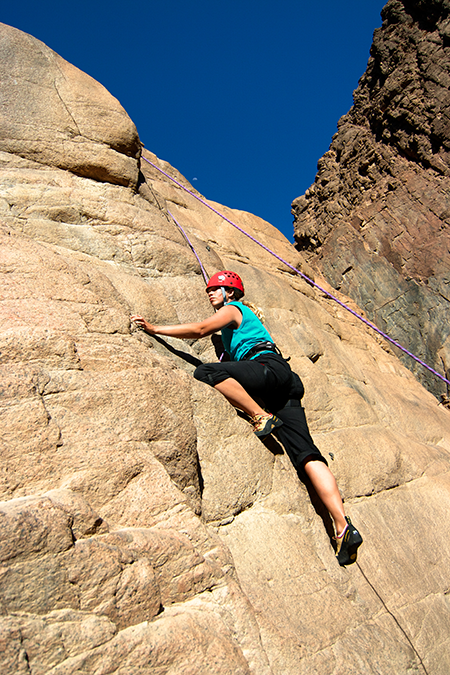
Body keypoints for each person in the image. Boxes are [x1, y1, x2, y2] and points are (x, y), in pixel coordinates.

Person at [131, 270, 362, 566]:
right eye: (210, 289)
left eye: (216, 288)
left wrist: (155, 329)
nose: (210, 293)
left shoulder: (234, 309)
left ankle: (259, 417)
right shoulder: (242, 328)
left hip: (266, 368)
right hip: (285, 382)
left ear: (231, 292)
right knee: (307, 455)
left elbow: (201, 329)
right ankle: (343, 527)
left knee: (207, 372)